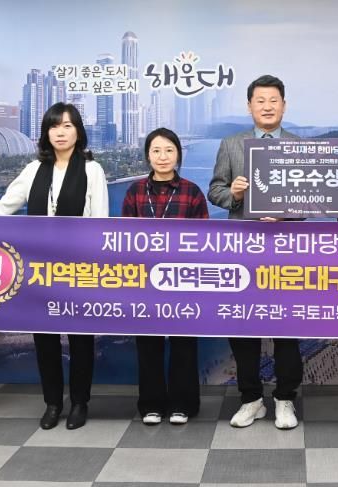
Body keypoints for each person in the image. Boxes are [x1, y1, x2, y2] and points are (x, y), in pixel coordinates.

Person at [0, 102, 109, 430]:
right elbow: (3, 208)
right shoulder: (33, 170)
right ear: (46, 132)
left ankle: (80, 403)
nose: (61, 132)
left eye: (68, 126)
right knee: (44, 339)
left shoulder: (93, 170)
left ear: (78, 132)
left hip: (78, 270)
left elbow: (99, 222)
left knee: (81, 340)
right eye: (54, 126)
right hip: (39, 270)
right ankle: (52, 403)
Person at [208, 75, 303, 429]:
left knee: (286, 329)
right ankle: (250, 399)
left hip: (285, 252)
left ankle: (285, 399)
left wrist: (286, 212)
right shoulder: (231, 144)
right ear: (249, 106)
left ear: (284, 106)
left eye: (273, 100)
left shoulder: (298, 146)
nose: (267, 106)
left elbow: (311, 200)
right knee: (243, 327)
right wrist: (233, 194)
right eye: (260, 100)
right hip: (243, 252)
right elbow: (214, 191)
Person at [122, 127, 208, 425]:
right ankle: (151, 405)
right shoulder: (134, 191)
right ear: (148, 155)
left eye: (169, 150)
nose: (162, 156)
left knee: (184, 343)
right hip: (146, 281)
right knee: (148, 343)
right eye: (156, 150)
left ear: (178, 155)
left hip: (183, 280)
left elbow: (205, 240)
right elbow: (125, 238)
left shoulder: (191, 191)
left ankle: (183, 404)